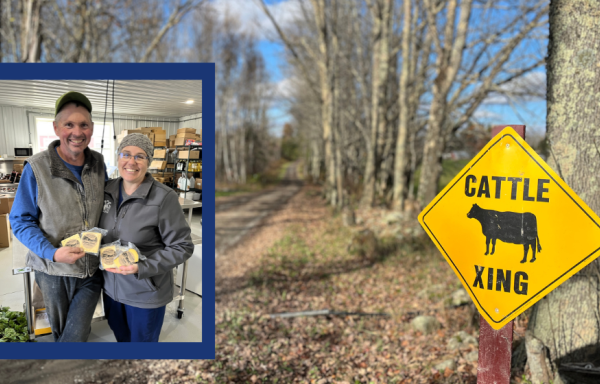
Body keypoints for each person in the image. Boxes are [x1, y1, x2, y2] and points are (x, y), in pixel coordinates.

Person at [10, 91, 106, 342]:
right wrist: (52, 252)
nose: (77, 132)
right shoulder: (37, 167)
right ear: (56, 128)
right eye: (69, 124)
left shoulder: (98, 163)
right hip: (54, 270)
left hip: (92, 267)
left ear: (92, 128)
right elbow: (20, 220)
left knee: (75, 334)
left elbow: (108, 205)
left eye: (83, 124)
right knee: (64, 332)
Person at [98, 133, 193, 342]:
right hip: (112, 290)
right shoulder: (107, 190)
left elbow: (183, 246)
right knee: (121, 337)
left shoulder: (163, 197)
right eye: (126, 154)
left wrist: (142, 267)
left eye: (140, 156)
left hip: (145, 292)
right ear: (118, 158)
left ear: (149, 161)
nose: (131, 162)